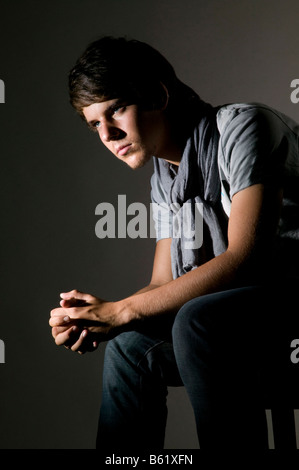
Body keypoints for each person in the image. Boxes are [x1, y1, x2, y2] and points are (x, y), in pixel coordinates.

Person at [49, 36, 299, 450]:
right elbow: (162, 282)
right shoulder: (165, 179)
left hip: (288, 310)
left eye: (116, 110)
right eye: (95, 123)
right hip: (242, 323)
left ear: (158, 94)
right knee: (128, 347)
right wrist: (101, 316)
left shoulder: (242, 127)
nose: (108, 134)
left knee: (199, 319)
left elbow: (245, 259)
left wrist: (124, 311)